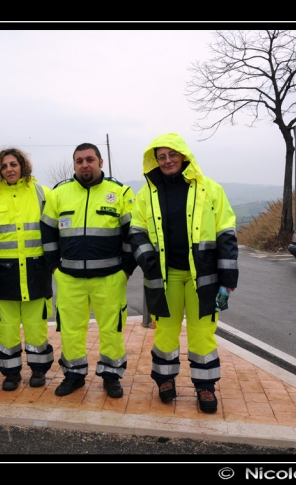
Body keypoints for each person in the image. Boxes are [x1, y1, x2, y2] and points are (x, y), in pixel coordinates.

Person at [129, 132, 239, 413]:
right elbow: (136, 231)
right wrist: (148, 262)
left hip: (203, 276)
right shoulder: (146, 195)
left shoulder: (210, 189)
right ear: (154, 161)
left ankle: (205, 387)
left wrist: (228, 280)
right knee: (165, 332)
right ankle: (165, 380)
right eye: (161, 157)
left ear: (184, 156)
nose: (167, 161)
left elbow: (226, 232)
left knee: (202, 331)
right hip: (165, 276)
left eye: (172, 155)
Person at [40, 143, 136, 399]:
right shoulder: (59, 194)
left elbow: (133, 234)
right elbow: (47, 233)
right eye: (79, 160)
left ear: (100, 162)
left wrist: (126, 269)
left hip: (110, 279)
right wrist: (53, 267)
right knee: (70, 330)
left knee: (112, 330)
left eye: (90, 159)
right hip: (69, 279)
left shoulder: (120, 192)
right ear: (74, 164)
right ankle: (74, 375)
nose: (85, 164)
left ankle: (111, 376)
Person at [0, 148, 54, 391]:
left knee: (36, 326)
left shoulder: (42, 193)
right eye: (4, 166)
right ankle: (11, 372)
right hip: (2, 274)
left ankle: (39, 370)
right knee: (6, 329)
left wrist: (53, 263)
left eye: (13, 164)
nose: (9, 169)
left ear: (23, 166)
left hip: (36, 271)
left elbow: (53, 231)